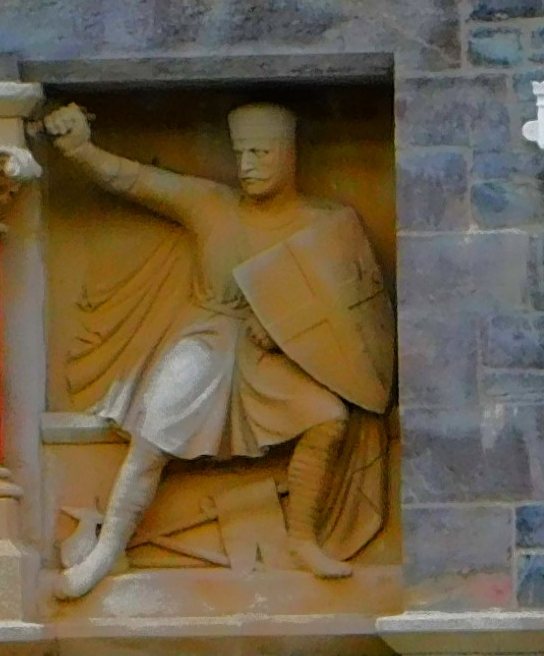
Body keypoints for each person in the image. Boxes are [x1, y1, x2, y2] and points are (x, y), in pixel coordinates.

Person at [46, 103, 396, 598]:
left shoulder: (327, 223)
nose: (247, 165)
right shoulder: (210, 204)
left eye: (261, 153)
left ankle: (302, 539)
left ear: (288, 156)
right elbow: (133, 180)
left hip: (271, 356)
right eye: (241, 153)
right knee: (153, 433)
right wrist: (79, 148)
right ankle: (106, 551)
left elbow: (349, 310)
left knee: (328, 417)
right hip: (206, 339)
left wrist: (283, 329)